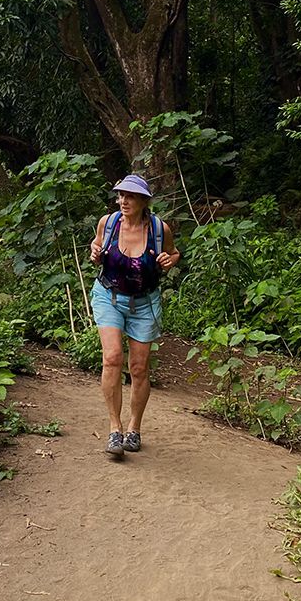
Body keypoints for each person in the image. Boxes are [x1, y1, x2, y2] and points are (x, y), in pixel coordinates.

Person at [88, 174, 179, 458]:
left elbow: (174, 254)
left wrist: (168, 261)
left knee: (139, 368)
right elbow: (97, 246)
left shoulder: (158, 229)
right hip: (108, 296)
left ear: (143, 201)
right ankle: (115, 429)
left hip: (144, 303)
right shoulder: (109, 222)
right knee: (112, 357)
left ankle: (134, 428)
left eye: (130, 196)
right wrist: (95, 253)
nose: (123, 201)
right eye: (121, 196)